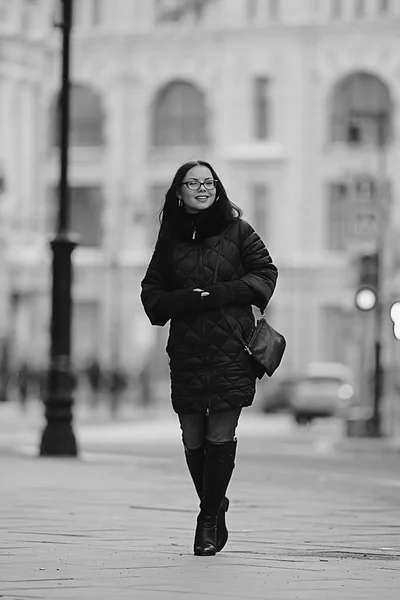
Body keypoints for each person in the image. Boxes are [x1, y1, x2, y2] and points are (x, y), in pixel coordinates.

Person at [140, 160, 278, 556]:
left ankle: (206, 521)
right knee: (193, 438)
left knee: (219, 436)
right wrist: (184, 300)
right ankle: (217, 504)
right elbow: (152, 297)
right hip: (186, 352)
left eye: (208, 181)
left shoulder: (238, 231)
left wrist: (221, 294)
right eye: (192, 182)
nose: (202, 188)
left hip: (231, 350)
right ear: (178, 193)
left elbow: (265, 274)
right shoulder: (169, 240)